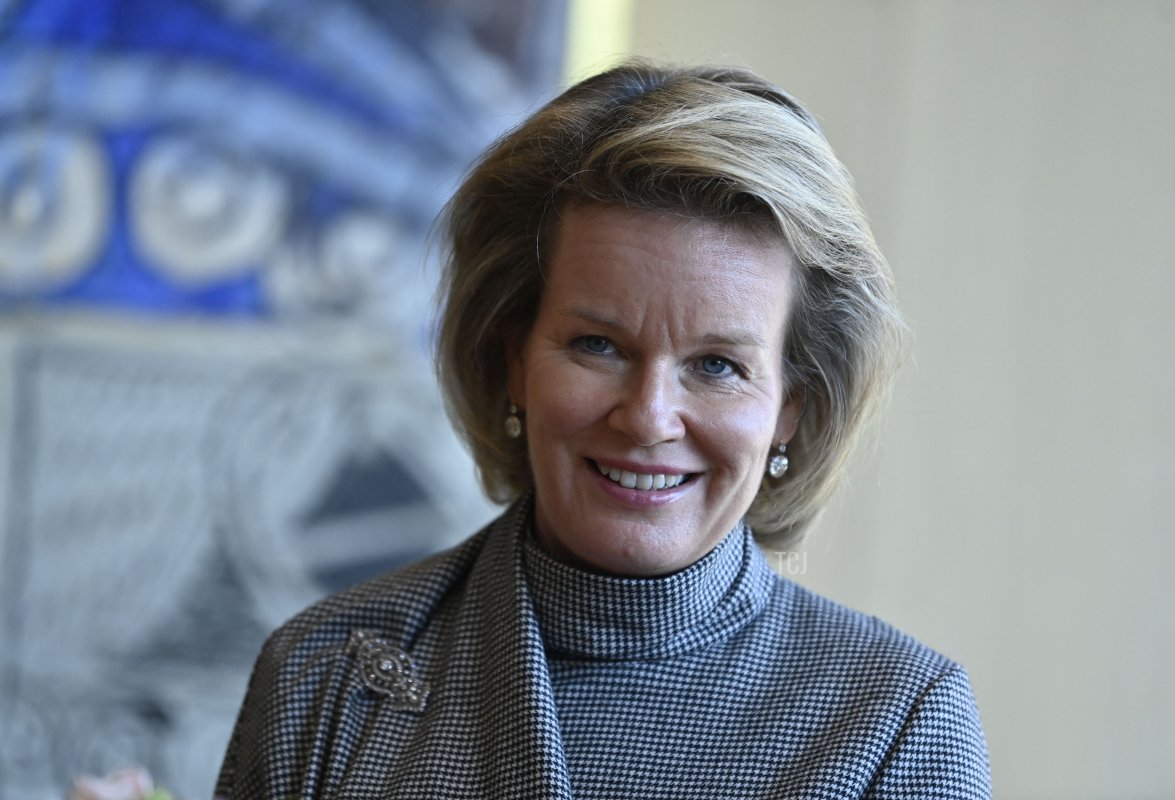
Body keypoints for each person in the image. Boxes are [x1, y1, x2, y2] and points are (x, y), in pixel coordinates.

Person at [216, 61, 990, 799]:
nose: (648, 417)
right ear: (514, 360)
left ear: (791, 406)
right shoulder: (323, 672)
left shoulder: (895, 723)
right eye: (598, 345)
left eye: (717, 365)